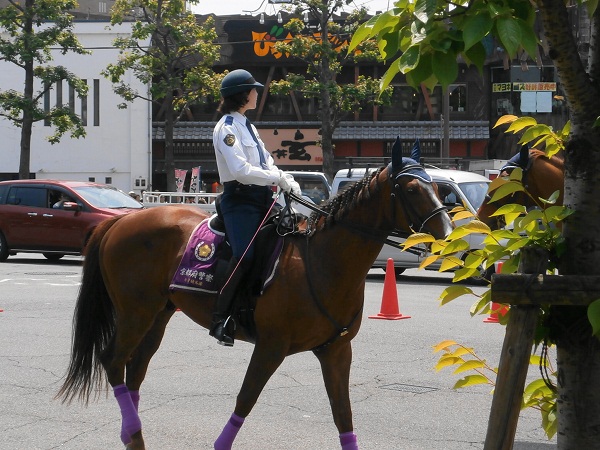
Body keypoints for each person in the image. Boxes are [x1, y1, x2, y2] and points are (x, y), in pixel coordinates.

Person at [210, 69, 301, 346]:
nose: (257, 93)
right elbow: (240, 170)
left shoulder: (248, 125)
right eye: (253, 89)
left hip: (261, 198)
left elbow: (266, 163)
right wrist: (276, 178)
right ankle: (221, 318)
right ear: (242, 94)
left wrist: (286, 179)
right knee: (245, 256)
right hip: (239, 201)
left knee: (288, 241)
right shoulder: (226, 128)